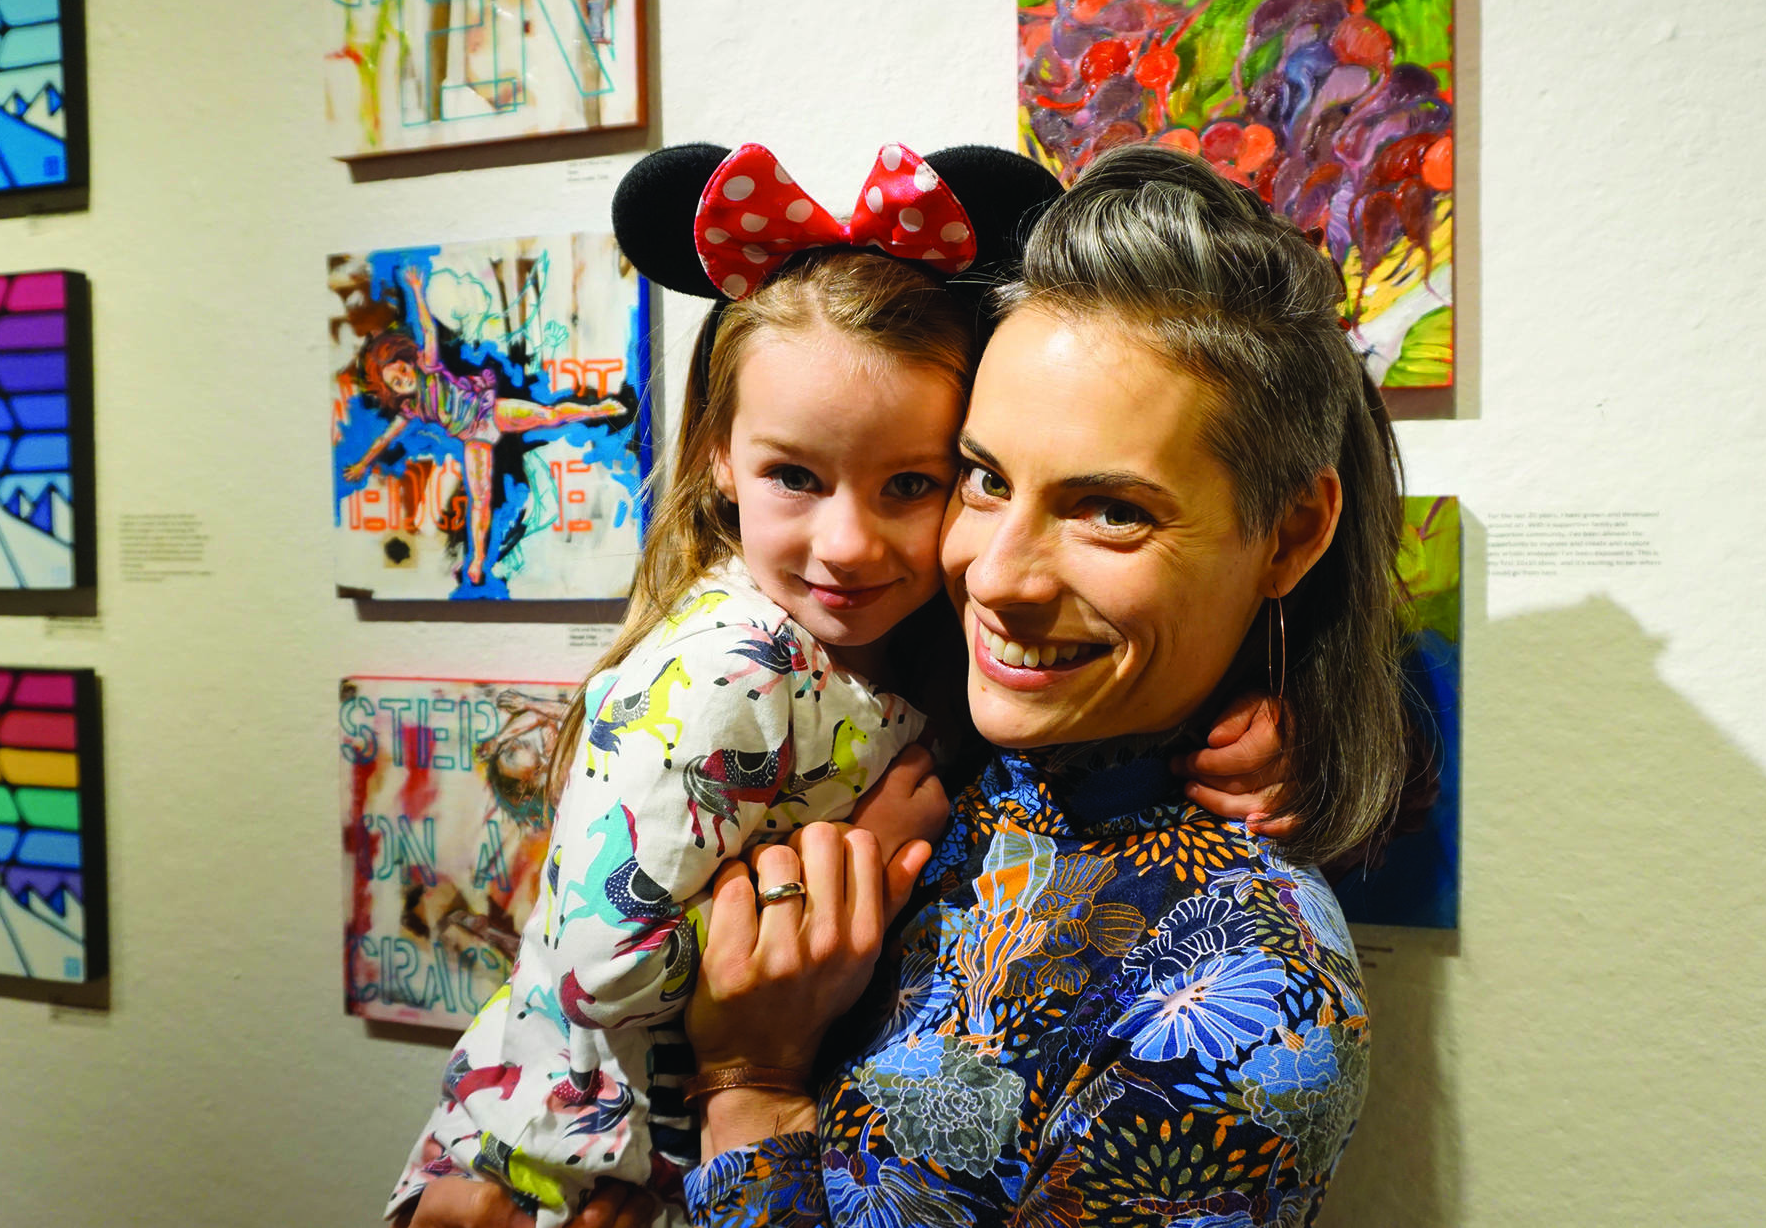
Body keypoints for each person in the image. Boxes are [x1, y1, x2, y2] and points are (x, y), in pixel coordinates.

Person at [390, 142, 1302, 1228]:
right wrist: (568, 1154)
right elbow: (593, 966)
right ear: (717, 457)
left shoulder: (928, 652)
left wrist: (1280, 710)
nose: (850, 545)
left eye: (917, 483)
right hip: (568, 1165)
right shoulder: (734, 673)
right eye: (989, 482)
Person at [661, 142, 1409, 1227]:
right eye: (980, 477)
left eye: (1110, 509)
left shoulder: (1251, 1007)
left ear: (1288, 533)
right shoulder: (889, 717)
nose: (996, 575)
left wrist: (753, 1091)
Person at [342, 264, 629, 586]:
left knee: (549, 416)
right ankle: (477, 561)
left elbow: (427, 330)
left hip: (490, 410)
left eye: (402, 370)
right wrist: (363, 464)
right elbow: (385, 439)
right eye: (396, 382)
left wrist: (418, 293)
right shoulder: (411, 410)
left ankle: (598, 408)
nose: (404, 378)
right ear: (393, 392)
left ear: (408, 362)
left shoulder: (430, 366)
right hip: (473, 438)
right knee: (481, 499)